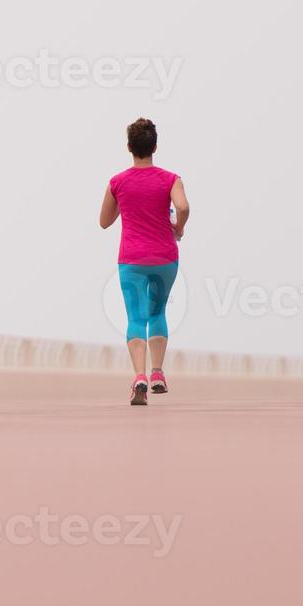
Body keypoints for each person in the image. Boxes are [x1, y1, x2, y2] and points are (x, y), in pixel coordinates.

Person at [99, 118, 190, 406]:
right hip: (164, 257)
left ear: (129, 147)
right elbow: (183, 206)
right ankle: (158, 374)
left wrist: (126, 205)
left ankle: (139, 377)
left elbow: (104, 222)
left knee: (136, 318)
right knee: (157, 312)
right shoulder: (170, 179)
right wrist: (179, 227)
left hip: (132, 260)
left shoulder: (118, 182)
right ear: (155, 146)